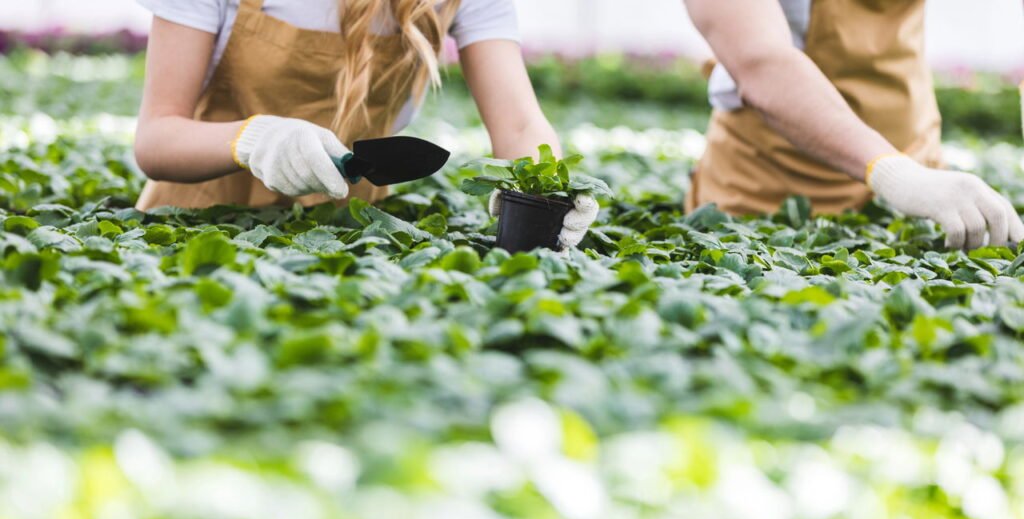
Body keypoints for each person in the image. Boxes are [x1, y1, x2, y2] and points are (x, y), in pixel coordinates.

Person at [132, 0, 597, 249]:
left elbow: (518, 126)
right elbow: (156, 139)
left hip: (349, 235)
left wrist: (549, 187)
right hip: (200, 234)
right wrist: (253, 138)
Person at [684, 0, 1024, 250]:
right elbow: (761, 63)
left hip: (924, 195)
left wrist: (916, 176)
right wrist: (897, 175)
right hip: (772, 207)